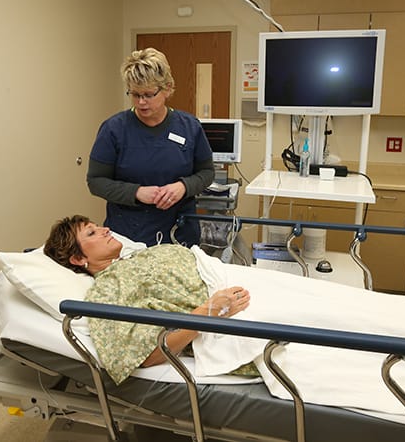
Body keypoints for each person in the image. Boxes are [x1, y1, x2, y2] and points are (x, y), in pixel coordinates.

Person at [44, 214, 253, 384]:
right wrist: (209, 312)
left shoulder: (138, 256)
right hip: (235, 313)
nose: (105, 229)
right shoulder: (107, 290)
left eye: (98, 226)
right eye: (92, 232)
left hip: (240, 284)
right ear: (79, 259)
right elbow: (147, 355)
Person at [86, 47, 215, 247]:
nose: (141, 102)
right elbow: (96, 181)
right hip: (129, 232)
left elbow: (206, 173)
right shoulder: (114, 129)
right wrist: (136, 192)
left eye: (148, 94)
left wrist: (183, 187)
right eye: (135, 94)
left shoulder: (189, 127)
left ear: (168, 88)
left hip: (178, 232)